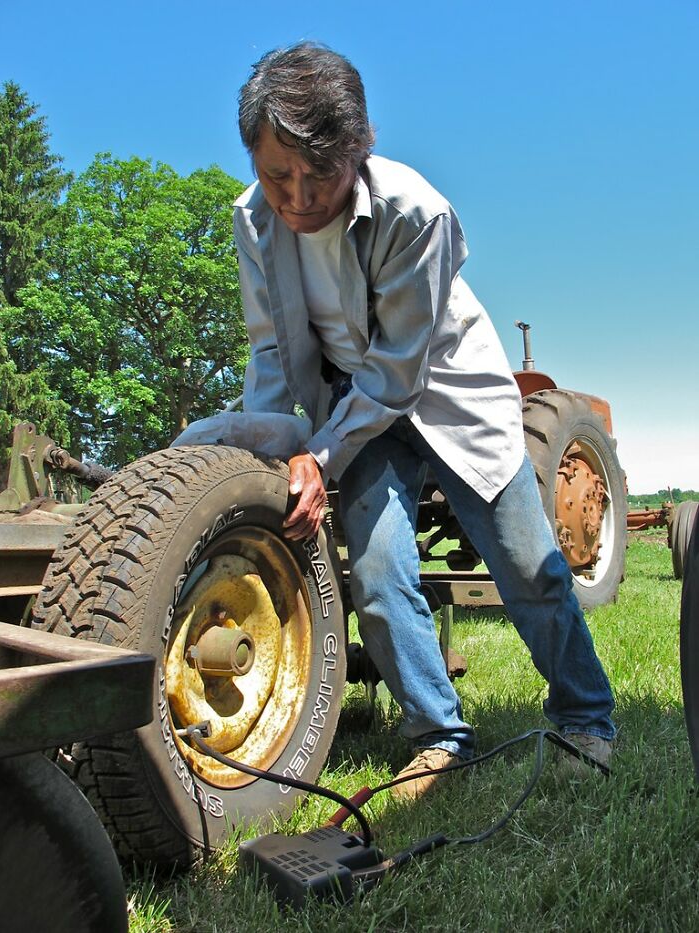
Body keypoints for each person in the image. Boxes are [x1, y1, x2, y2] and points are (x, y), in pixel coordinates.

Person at [232, 41, 615, 798]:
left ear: (361, 146)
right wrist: (275, 451)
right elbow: (271, 349)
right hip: (359, 409)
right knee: (375, 572)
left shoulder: (417, 212)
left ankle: (587, 714)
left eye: (322, 174)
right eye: (279, 175)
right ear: (254, 159)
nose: (299, 197)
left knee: (528, 568)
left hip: (447, 393)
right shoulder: (254, 221)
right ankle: (439, 733)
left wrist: (324, 451)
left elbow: (400, 369)